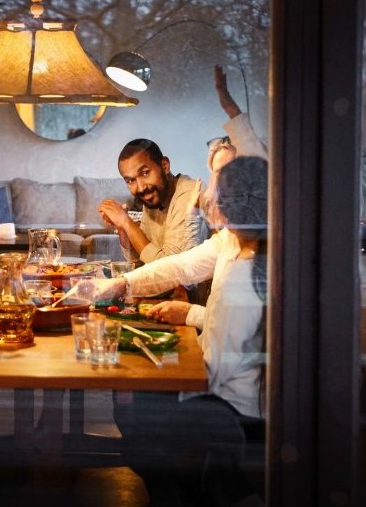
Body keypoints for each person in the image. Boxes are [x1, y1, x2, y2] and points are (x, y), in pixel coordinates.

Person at [97, 156, 268, 505]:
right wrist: (125, 284)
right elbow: (180, 266)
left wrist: (190, 314)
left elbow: (251, 335)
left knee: (139, 415)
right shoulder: (230, 241)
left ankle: (197, 489)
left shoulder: (272, 261)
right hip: (211, 381)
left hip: (239, 404)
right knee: (130, 401)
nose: (209, 198)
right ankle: (189, 489)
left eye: (220, 190)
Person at [98, 138, 207, 266]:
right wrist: (121, 227)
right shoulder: (155, 197)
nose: (141, 187)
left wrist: (126, 223)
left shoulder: (190, 195)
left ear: (165, 166)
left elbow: (168, 269)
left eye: (145, 173)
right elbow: (139, 261)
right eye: (131, 180)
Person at [202, 65, 269, 224]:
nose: (227, 176)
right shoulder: (211, 220)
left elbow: (248, 143)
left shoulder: (256, 211)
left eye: (232, 168)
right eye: (220, 172)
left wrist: (231, 109)